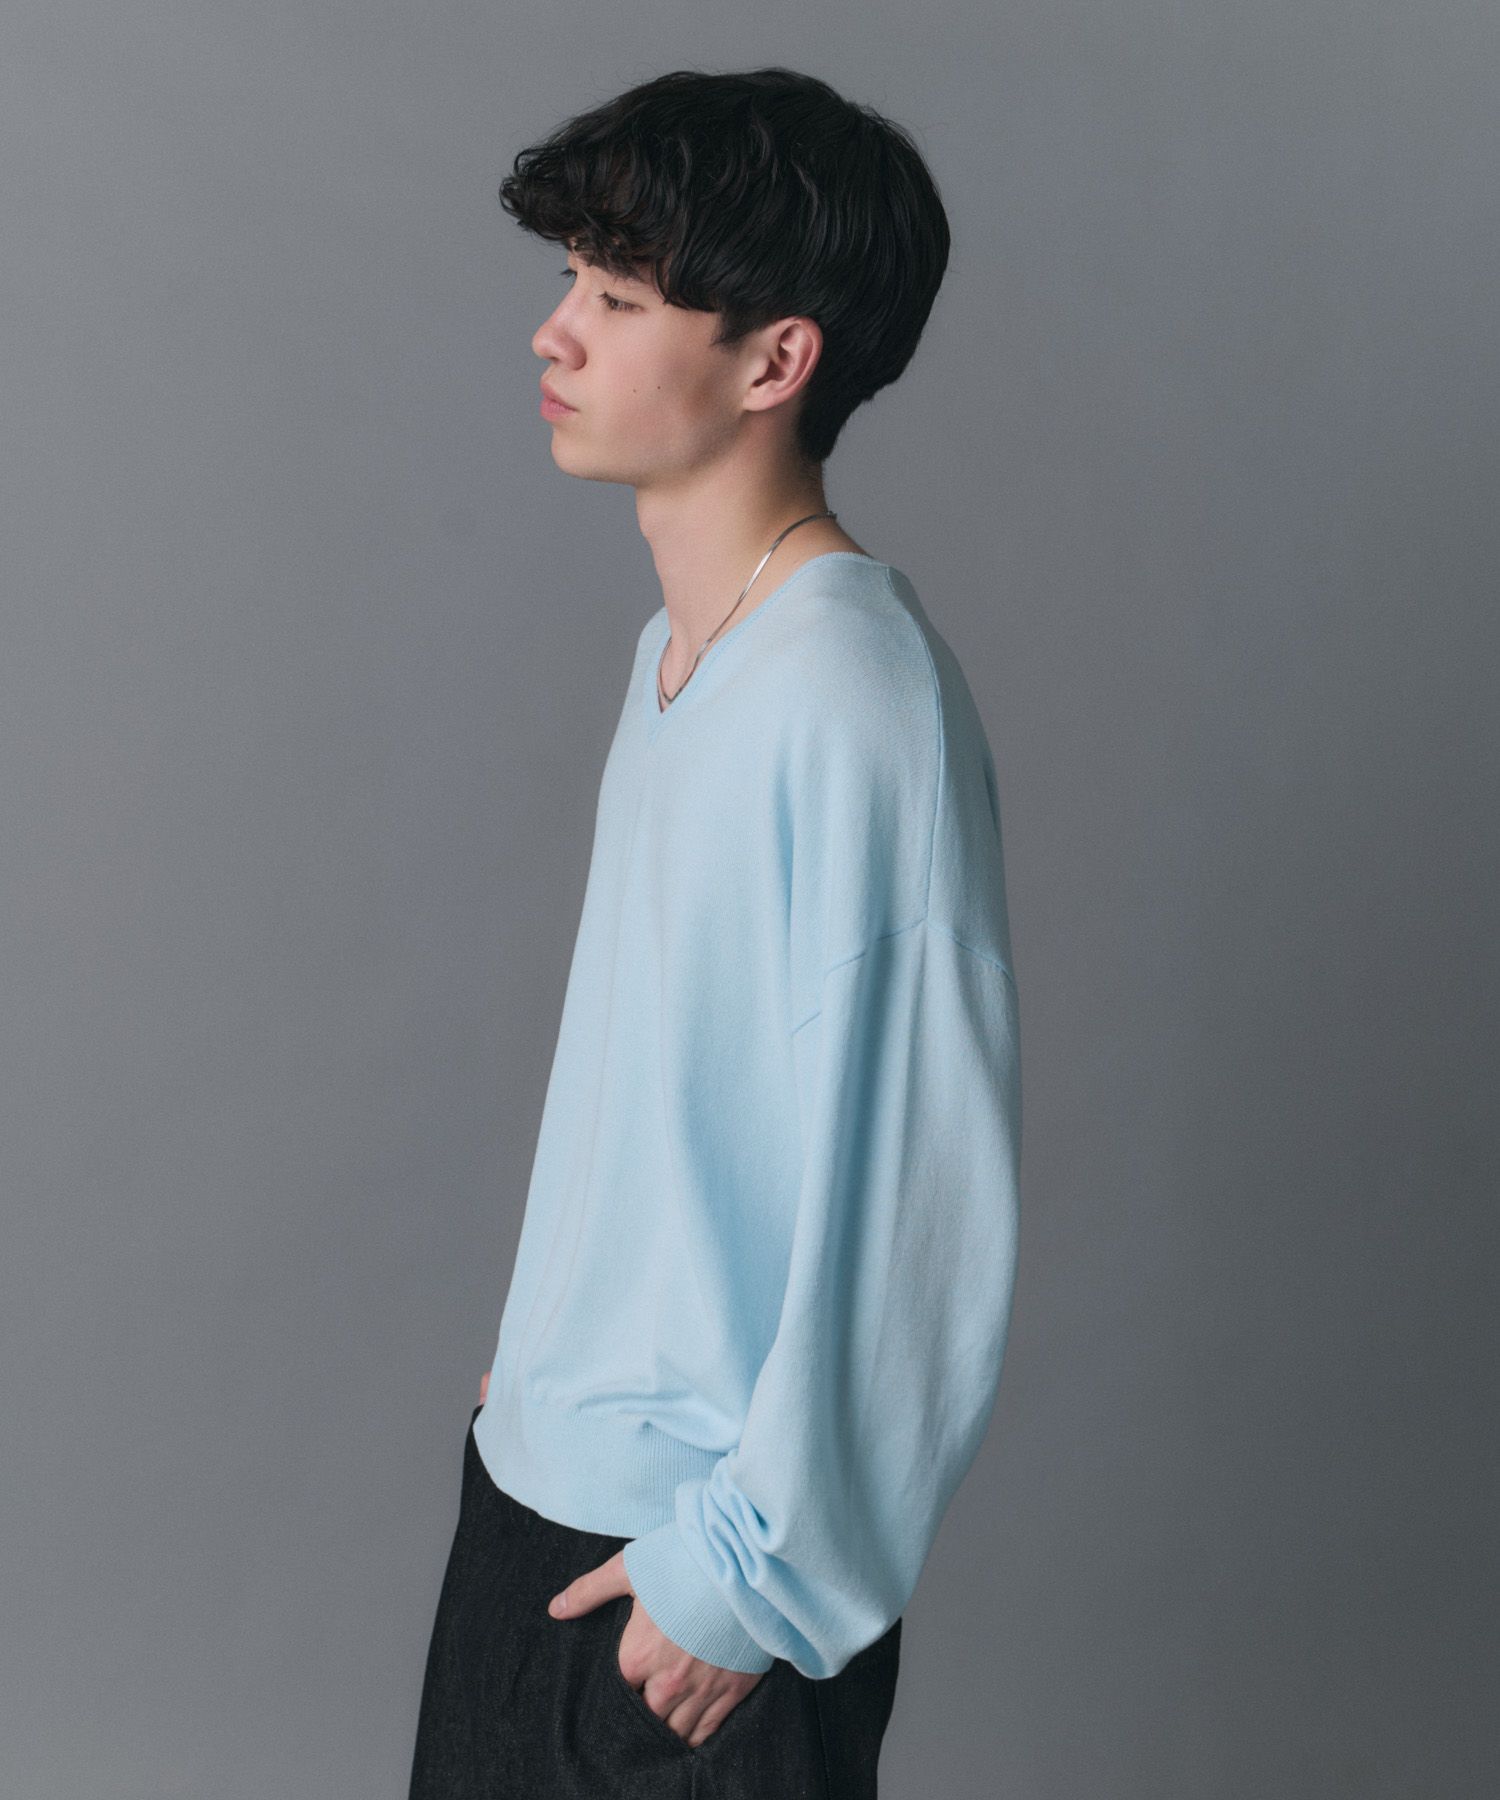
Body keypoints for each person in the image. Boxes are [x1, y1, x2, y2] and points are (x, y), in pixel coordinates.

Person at [407, 65, 1023, 1800]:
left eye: (618, 299)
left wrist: (744, 1581)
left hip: (691, 1582)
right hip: (541, 1503)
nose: (556, 332)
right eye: (571, 283)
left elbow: (919, 1198)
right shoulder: (687, 649)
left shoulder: (854, 699)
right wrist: (556, 1365)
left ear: (775, 361)